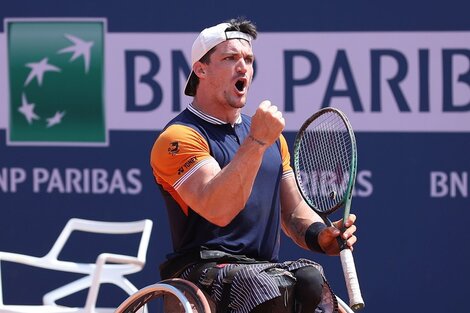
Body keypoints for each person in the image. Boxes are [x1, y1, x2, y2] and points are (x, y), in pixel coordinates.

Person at [150, 17, 357, 313]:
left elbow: (294, 211)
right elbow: (218, 209)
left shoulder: (270, 137)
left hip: (264, 272)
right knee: (266, 286)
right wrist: (256, 142)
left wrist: (319, 236)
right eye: (230, 58)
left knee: (310, 278)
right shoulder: (179, 138)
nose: (243, 67)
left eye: (248, 59)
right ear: (201, 69)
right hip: (203, 272)